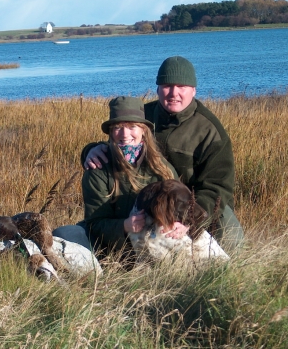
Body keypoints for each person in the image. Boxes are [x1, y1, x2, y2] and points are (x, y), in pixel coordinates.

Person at [82, 56, 244, 252]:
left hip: (196, 203)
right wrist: (91, 149)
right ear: (157, 88)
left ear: (193, 90)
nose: (173, 93)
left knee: (231, 241)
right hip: (154, 200)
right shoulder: (144, 115)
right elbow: (120, 138)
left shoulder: (210, 131)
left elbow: (216, 188)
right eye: (167, 86)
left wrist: (189, 219)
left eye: (181, 86)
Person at [53, 96, 188, 257]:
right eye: (118, 127)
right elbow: (95, 223)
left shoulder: (161, 167)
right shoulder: (97, 168)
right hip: (108, 244)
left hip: (151, 240)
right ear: (110, 132)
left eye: (132, 126)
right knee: (65, 234)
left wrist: (184, 225)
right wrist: (124, 226)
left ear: (143, 130)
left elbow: (183, 204)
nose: (124, 134)